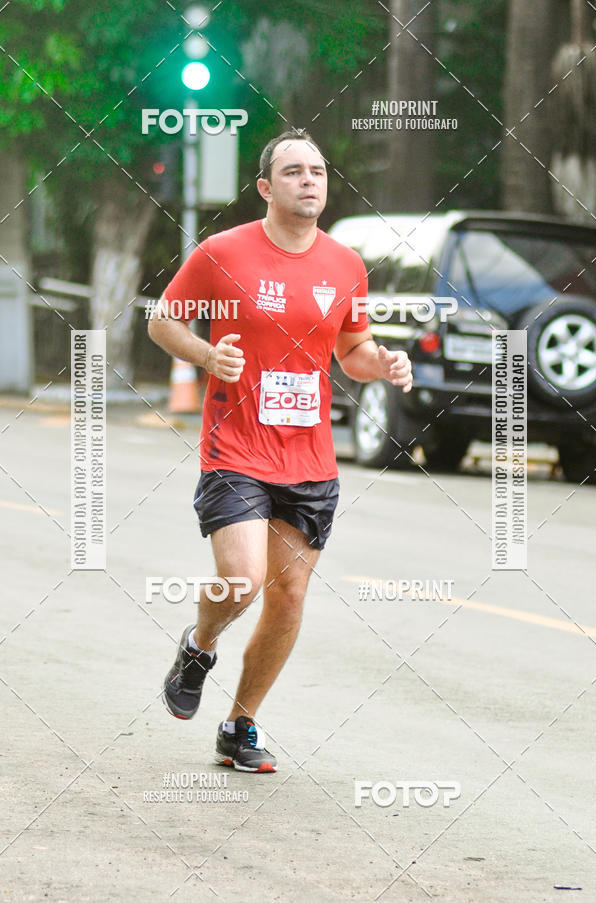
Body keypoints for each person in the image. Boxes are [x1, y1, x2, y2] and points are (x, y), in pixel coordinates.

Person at [148, 129, 412, 773]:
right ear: (266, 187)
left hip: (310, 459)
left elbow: (350, 349)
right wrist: (209, 355)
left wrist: (382, 362)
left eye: (318, 171)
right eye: (293, 171)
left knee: (288, 597)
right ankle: (200, 643)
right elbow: (162, 319)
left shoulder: (346, 264)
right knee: (240, 580)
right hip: (235, 446)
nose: (309, 181)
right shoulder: (221, 252)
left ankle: (241, 725)